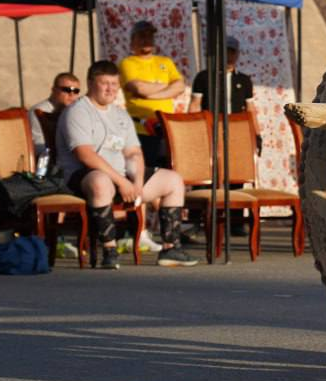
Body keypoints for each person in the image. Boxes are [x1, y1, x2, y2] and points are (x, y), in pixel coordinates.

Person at [57, 60, 197, 269]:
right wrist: (122, 182)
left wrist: (138, 182)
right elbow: (85, 154)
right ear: (90, 83)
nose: (110, 89)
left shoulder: (120, 114)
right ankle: (109, 250)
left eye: (114, 84)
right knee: (100, 182)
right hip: (84, 175)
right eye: (104, 83)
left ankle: (171, 248)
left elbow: (133, 152)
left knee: (173, 180)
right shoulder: (78, 111)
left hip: (122, 176)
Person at [118, 21, 184, 167]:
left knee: (170, 169)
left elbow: (179, 86)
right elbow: (139, 88)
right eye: (142, 36)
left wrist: (152, 94)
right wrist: (166, 86)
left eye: (150, 36)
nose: (146, 40)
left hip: (167, 127)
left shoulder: (165, 62)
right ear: (132, 40)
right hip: (142, 128)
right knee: (146, 170)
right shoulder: (127, 63)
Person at [189, 36, 255, 115]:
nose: (229, 56)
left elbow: (250, 108)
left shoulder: (244, 80)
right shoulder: (204, 77)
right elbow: (195, 105)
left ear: (237, 54)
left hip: (236, 124)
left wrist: (254, 126)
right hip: (211, 124)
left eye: (232, 52)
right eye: (225, 52)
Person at [30, 72, 82, 158]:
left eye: (76, 91)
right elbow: (38, 146)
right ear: (54, 90)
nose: (71, 94)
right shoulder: (39, 111)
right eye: (66, 90)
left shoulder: (76, 111)